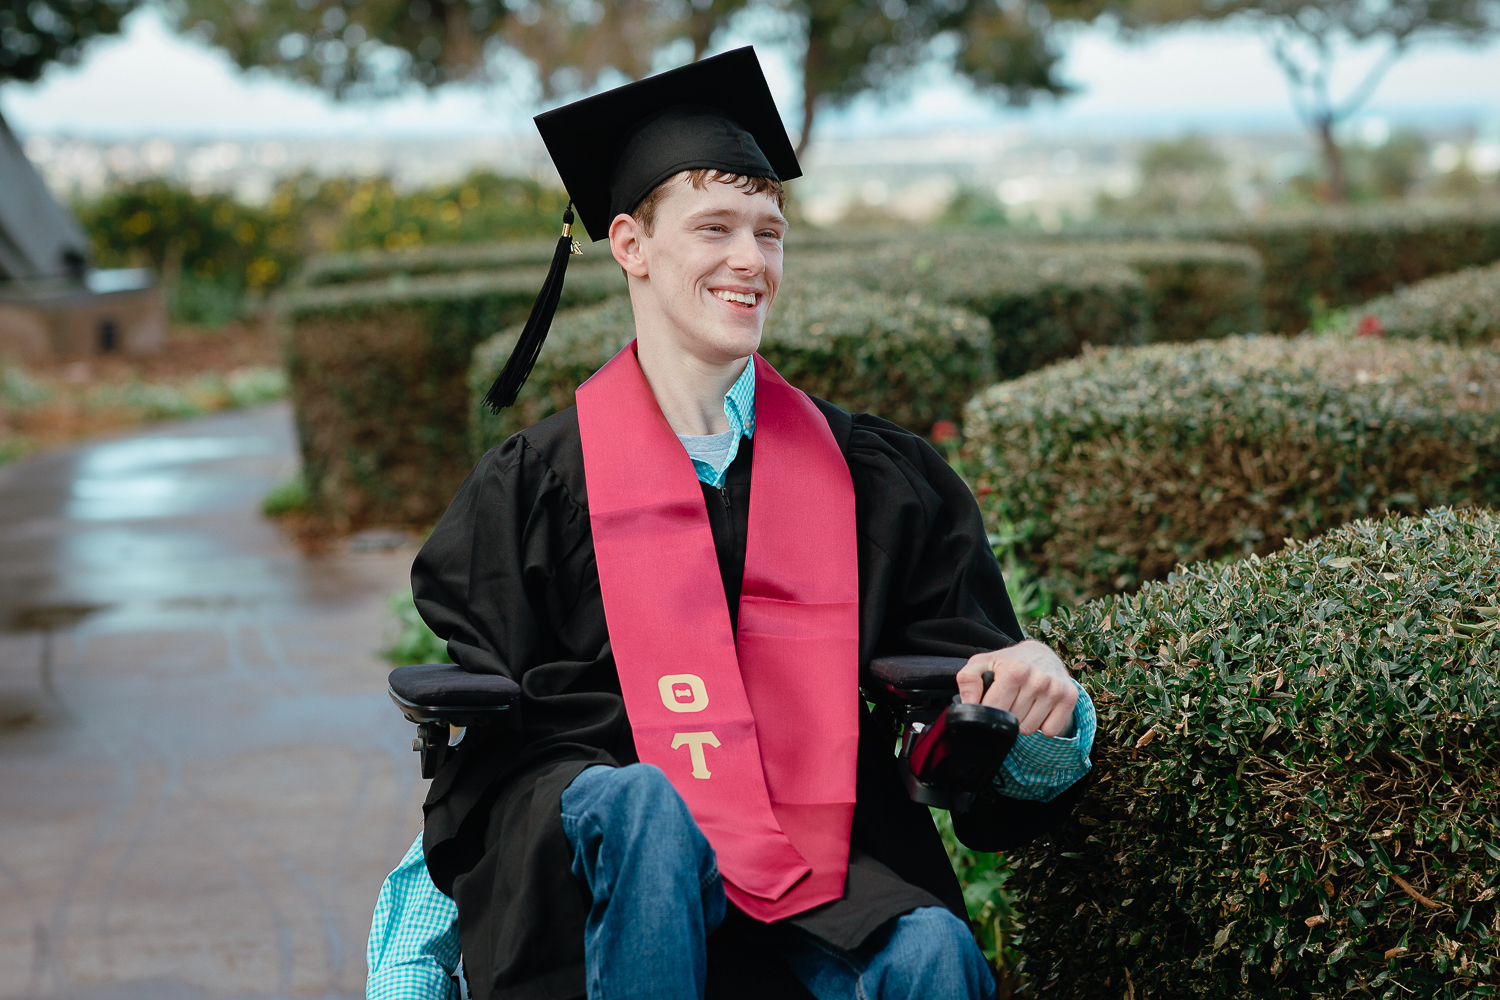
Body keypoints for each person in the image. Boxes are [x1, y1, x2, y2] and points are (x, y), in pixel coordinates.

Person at [366, 47, 1095, 1000]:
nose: (751, 260)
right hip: (589, 863)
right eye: (715, 227)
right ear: (629, 244)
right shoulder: (534, 487)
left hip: (810, 851)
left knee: (929, 950)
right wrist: (419, 937)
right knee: (645, 810)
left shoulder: (875, 479)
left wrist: (1047, 704)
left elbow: (981, 707)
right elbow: (487, 749)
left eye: (769, 231)